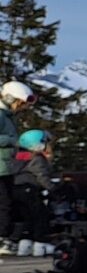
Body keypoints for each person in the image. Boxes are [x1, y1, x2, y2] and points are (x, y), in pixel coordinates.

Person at [10, 130, 53, 256]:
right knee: (40, 216)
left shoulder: (18, 157)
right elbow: (42, 176)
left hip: (17, 189)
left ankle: (25, 245)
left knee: (27, 218)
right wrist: (52, 188)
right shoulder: (37, 158)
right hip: (30, 189)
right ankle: (40, 244)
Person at [0, 80, 29, 256]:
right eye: (20, 103)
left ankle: (5, 236)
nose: (21, 107)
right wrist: (13, 141)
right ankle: (2, 237)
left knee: (8, 203)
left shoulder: (8, 117)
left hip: (6, 167)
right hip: (1, 169)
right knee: (3, 204)